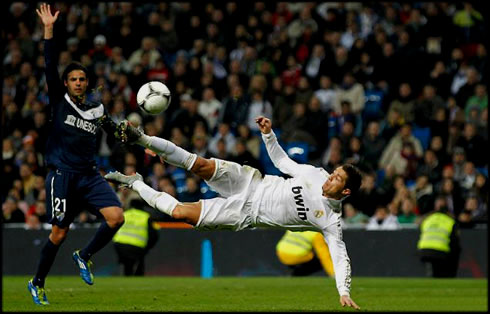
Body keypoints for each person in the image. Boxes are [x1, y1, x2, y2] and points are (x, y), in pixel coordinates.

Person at [106, 115, 362, 310]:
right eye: (334, 172)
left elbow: (339, 256)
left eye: (337, 179)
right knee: (200, 164)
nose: (330, 178)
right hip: (252, 182)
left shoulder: (330, 221)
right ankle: (140, 138)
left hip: (245, 214)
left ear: (346, 192)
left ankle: (135, 182)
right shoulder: (316, 174)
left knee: (181, 214)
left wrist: (343, 290)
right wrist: (269, 135)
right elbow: (283, 163)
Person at [28, 4, 125, 306]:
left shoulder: (97, 108)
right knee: (58, 234)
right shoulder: (59, 101)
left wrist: (135, 136)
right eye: (73, 79)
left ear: (87, 82)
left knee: (116, 218)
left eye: (82, 79)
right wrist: (48, 30)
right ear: (67, 84)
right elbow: (48, 63)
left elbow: (115, 132)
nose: (79, 82)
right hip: (62, 176)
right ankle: (37, 282)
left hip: (88, 175)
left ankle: (84, 256)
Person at [113, 198, 159, 276]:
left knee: (126, 265)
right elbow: (154, 235)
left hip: (119, 244)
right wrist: (147, 247)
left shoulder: (124, 214)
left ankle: (125, 276)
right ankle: (137, 276)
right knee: (138, 265)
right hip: (137, 247)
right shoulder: (146, 216)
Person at [417, 204, 461, 278]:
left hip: (423, 250)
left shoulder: (428, 219)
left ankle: (431, 275)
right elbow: (454, 241)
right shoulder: (450, 221)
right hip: (440, 252)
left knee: (433, 268)